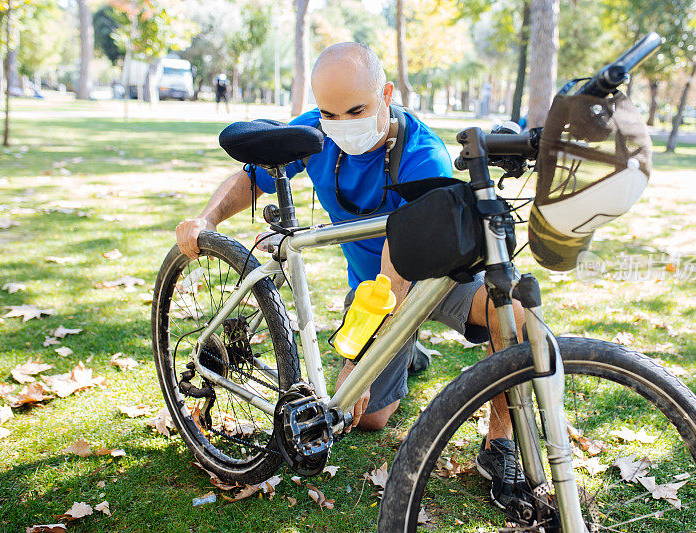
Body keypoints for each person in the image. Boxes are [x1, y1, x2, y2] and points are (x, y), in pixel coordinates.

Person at [176, 42, 528, 508]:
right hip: (370, 291)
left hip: (431, 276)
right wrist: (208, 219)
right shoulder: (316, 132)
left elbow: (398, 274)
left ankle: (499, 443)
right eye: (329, 113)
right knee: (370, 418)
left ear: (386, 93)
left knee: (515, 315)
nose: (342, 125)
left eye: (356, 110)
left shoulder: (424, 157)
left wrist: (356, 359)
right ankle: (406, 351)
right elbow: (250, 177)